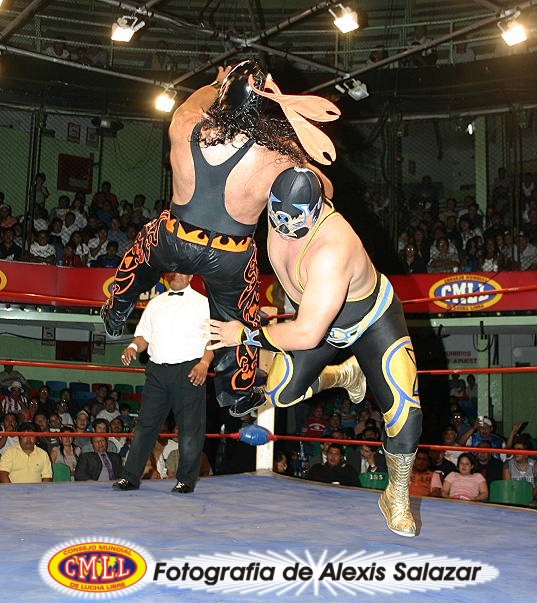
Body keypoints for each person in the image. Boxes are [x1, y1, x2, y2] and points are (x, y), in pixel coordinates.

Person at [101, 58, 339, 419]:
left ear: (222, 96)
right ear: (261, 106)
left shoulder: (185, 124)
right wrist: (295, 153)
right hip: (231, 255)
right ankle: (237, 393)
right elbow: (325, 190)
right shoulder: (275, 155)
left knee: (145, 249)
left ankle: (117, 311)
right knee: (240, 318)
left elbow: (195, 102)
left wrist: (216, 82)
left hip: (176, 238)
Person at [208, 167, 422, 537]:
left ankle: (396, 495)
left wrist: (243, 334)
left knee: (405, 413)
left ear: (317, 207)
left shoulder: (332, 248)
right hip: (317, 317)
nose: (283, 227)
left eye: (294, 221)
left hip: (370, 320)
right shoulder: (272, 204)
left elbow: (307, 335)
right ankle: (345, 374)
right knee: (280, 393)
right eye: (277, 217)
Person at [113, 272, 213, 494]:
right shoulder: (155, 303)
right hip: (157, 371)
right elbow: (143, 337)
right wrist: (132, 347)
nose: (177, 275)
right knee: (145, 425)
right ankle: (130, 476)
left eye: (182, 272)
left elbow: (213, 339)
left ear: (190, 276)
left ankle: (186, 480)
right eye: (174, 271)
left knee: (190, 428)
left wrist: (205, 363)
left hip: (189, 370)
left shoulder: (203, 303)